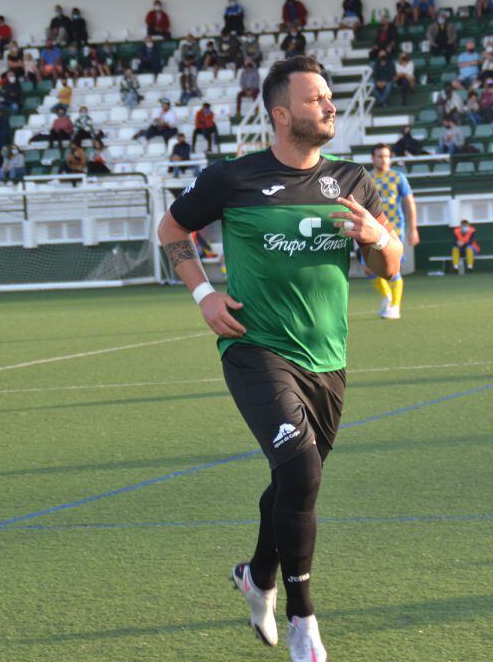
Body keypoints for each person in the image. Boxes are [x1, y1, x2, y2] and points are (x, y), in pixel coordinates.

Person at [157, 54, 400, 662]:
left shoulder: (351, 182)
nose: (330, 105)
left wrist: (376, 240)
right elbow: (170, 230)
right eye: (317, 97)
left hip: (328, 359)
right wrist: (204, 293)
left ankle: (257, 577)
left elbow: (389, 263)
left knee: (291, 480)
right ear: (281, 112)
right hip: (255, 348)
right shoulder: (231, 178)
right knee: (302, 474)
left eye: (329, 97)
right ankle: (304, 621)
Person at [368, 144, 418, 319]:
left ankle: (395, 307)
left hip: (393, 229)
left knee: (393, 268)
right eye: (380, 156)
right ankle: (387, 296)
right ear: (372, 158)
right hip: (372, 229)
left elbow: (409, 203)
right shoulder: (366, 178)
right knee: (369, 269)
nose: (384, 160)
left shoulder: (398, 178)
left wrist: (413, 229)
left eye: (387, 156)